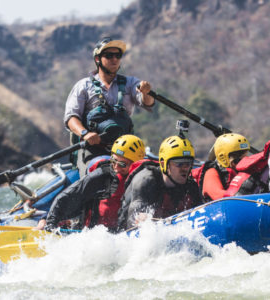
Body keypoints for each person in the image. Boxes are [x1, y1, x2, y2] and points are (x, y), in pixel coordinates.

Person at [64, 37, 154, 176]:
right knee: (100, 174)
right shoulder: (83, 86)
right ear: (97, 59)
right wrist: (85, 134)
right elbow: (71, 118)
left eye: (118, 55)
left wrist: (146, 92)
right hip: (93, 149)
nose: (114, 59)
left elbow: (147, 102)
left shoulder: (130, 83)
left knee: (146, 175)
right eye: (109, 55)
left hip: (126, 150)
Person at [41, 134, 146, 232]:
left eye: (123, 164)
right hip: (94, 236)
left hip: (124, 235)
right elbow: (66, 197)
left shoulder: (144, 178)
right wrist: (49, 225)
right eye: (114, 160)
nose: (116, 167)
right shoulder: (103, 175)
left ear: (136, 164)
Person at [118, 135, 203, 230]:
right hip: (125, 236)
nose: (185, 169)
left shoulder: (191, 186)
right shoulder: (145, 180)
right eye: (179, 163)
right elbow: (133, 222)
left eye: (188, 163)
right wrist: (141, 219)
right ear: (163, 164)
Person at [192, 133, 250, 201]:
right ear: (223, 158)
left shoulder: (244, 173)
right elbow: (219, 196)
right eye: (238, 160)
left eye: (245, 158)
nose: (243, 164)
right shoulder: (211, 173)